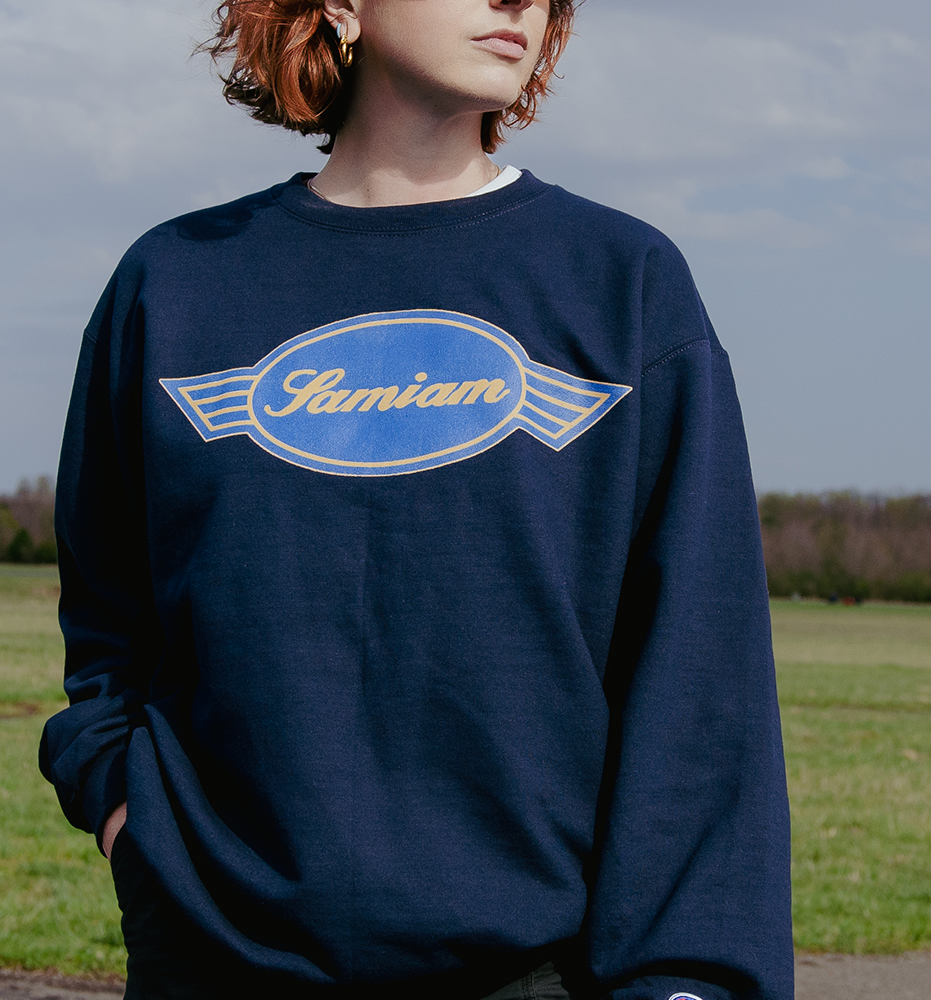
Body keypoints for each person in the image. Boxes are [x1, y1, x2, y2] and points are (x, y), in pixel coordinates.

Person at [40, 0, 794, 997]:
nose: (518, 0)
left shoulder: (622, 286)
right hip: (214, 963)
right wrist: (126, 816)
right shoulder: (175, 287)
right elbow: (109, 624)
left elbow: (700, 683)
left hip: (533, 972)